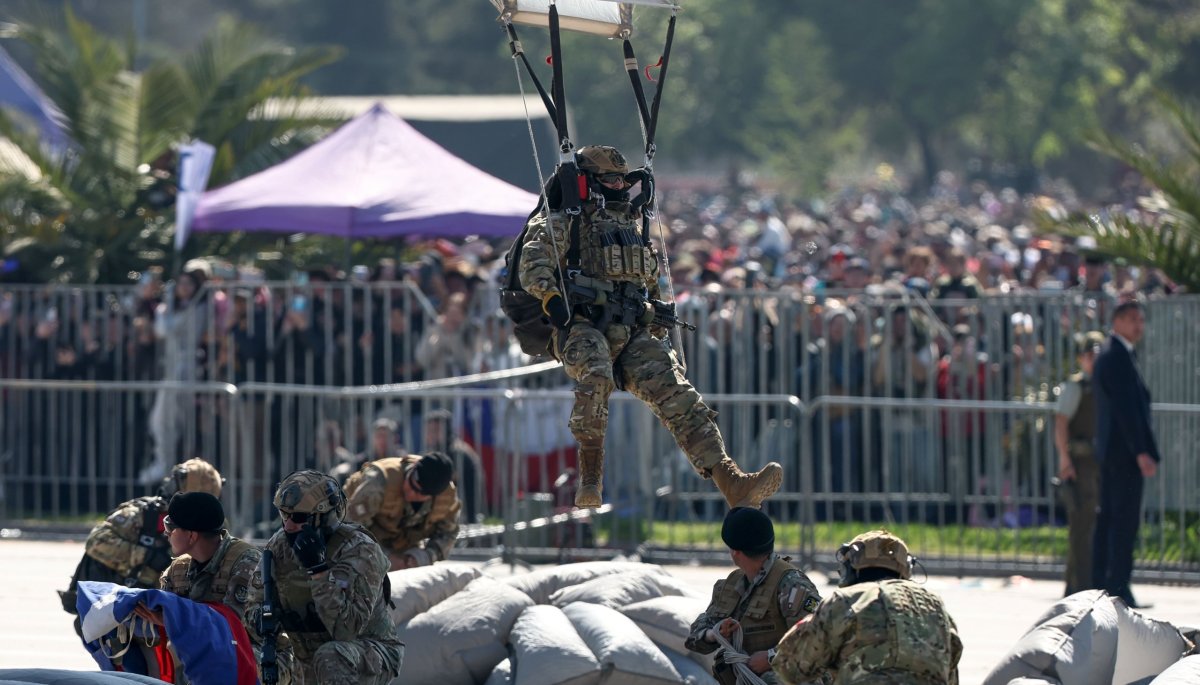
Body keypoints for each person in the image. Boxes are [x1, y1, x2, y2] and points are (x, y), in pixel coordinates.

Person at [517, 144, 782, 508]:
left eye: (622, 179)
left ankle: (730, 479)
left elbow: (649, 282)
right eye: (610, 179)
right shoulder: (565, 221)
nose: (619, 186)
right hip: (581, 325)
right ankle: (590, 476)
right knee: (596, 374)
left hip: (630, 330)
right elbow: (533, 262)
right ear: (589, 182)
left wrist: (655, 314)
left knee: (678, 393)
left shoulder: (632, 227)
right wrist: (551, 298)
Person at [254, 470, 403, 684]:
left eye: (299, 517)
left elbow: (346, 629)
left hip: (366, 651)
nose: (288, 525)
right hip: (306, 657)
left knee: (331, 656)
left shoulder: (360, 550)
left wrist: (319, 571)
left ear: (323, 518)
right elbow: (253, 605)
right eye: (284, 514)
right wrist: (262, 619)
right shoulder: (279, 546)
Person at [60, 458, 224, 637]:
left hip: (172, 612)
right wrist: (147, 557)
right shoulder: (146, 515)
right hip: (128, 607)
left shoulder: (213, 528)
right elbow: (97, 541)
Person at [773, 530, 961, 685]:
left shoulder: (844, 601)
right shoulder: (935, 606)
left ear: (851, 567)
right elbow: (951, 674)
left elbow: (788, 667)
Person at [147, 491, 294, 684]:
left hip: (261, 656)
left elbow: (231, 631)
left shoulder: (247, 565)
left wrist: (178, 621)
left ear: (191, 535)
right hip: (212, 651)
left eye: (170, 526)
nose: (165, 532)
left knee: (211, 653)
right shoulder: (178, 569)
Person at [685, 507, 822, 685]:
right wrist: (715, 634)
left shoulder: (791, 585)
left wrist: (771, 658)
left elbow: (818, 638)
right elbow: (694, 640)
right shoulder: (731, 585)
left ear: (735, 552)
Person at [1091, 300, 1159, 608]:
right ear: (1117, 321)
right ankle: (1117, 587)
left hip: (1116, 453)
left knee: (1111, 518)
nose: (1138, 326)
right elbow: (1126, 410)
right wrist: (1141, 451)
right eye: (1132, 319)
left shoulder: (1117, 353)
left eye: (1141, 320)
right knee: (1121, 521)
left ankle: (1104, 584)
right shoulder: (1116, 355)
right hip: (1123, 455)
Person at [343, 453, 462, 571]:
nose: (411, 492)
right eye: (411, 483)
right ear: (413, 468)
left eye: (418, 493)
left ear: (431, 496)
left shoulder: (447, 497)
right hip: (361, 545)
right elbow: (351, 526)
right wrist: (383, 557)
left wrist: (423, 557)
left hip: (404, 546)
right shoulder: (381, 481)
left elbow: (448, 533)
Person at [1054, 331, 1105, 596]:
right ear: (1081, 358)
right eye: (1089, 355)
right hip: (1080, 464)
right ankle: (1082, 587)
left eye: (1098, 355)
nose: (1093, 360)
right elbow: (1061, 424)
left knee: (1089, 525)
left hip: (1099, 463)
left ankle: (1074, 586)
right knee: (1081, 527)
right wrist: (1065, 460)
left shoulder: (1104, 385)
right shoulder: (1076, 387)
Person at [329, 417, 403, 486]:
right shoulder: (365, 460)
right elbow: (352, 467)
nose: (382, 440)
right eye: (379, 436)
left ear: (395, 439)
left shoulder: (401, 460)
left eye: (386, 436)